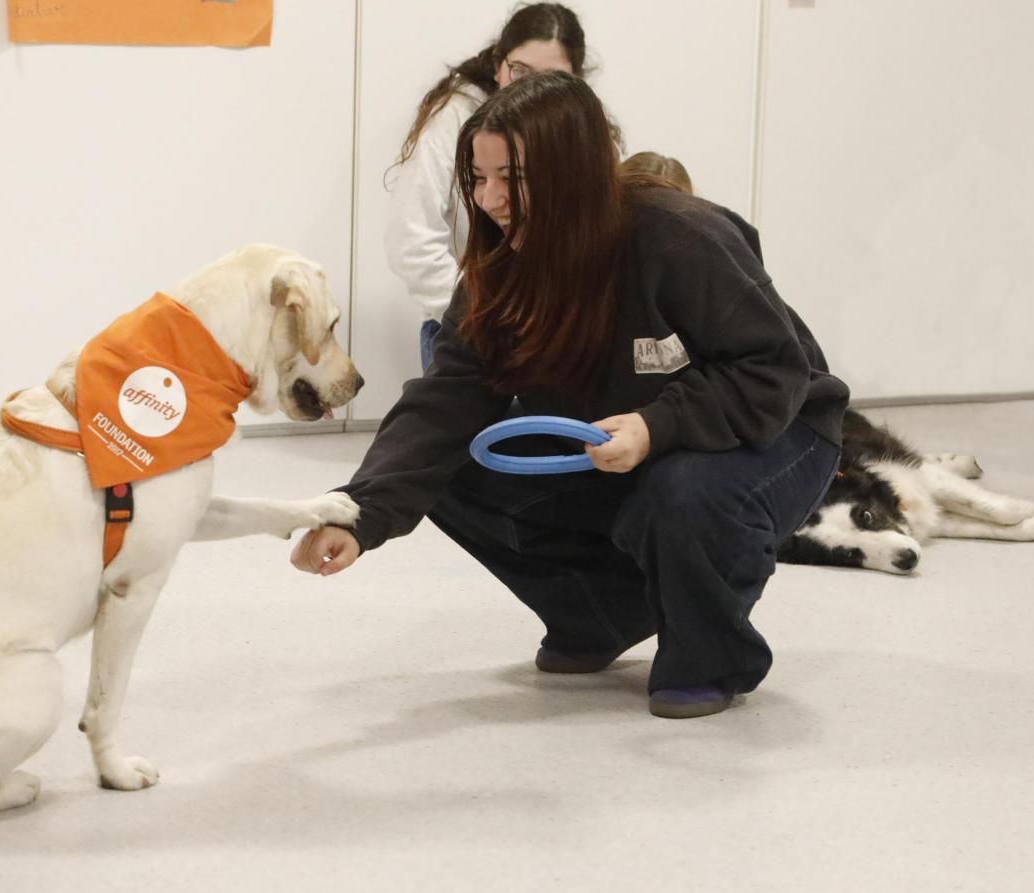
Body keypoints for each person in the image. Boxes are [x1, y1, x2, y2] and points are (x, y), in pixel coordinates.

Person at [294, 72, 851, 719]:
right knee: (452, 471)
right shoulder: (498, 274)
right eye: (479, 178)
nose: (491, 198)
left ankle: (711, 654)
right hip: (629, 441)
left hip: (780, 430)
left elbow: (770, 370)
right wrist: (358, 513)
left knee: (683, 492)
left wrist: (658, 424)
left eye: (514, 179)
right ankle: (604, 613)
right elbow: (443, 403)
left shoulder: (681, 238)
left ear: (574, 172)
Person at [385, 3, 588, 371]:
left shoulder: (582, 133)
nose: (532, 90)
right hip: (474, 330)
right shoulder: (457, 121)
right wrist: (482, 314)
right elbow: (410, 239)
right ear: (499, 66)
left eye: (552, 78)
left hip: (554, 334)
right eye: (520, 71)